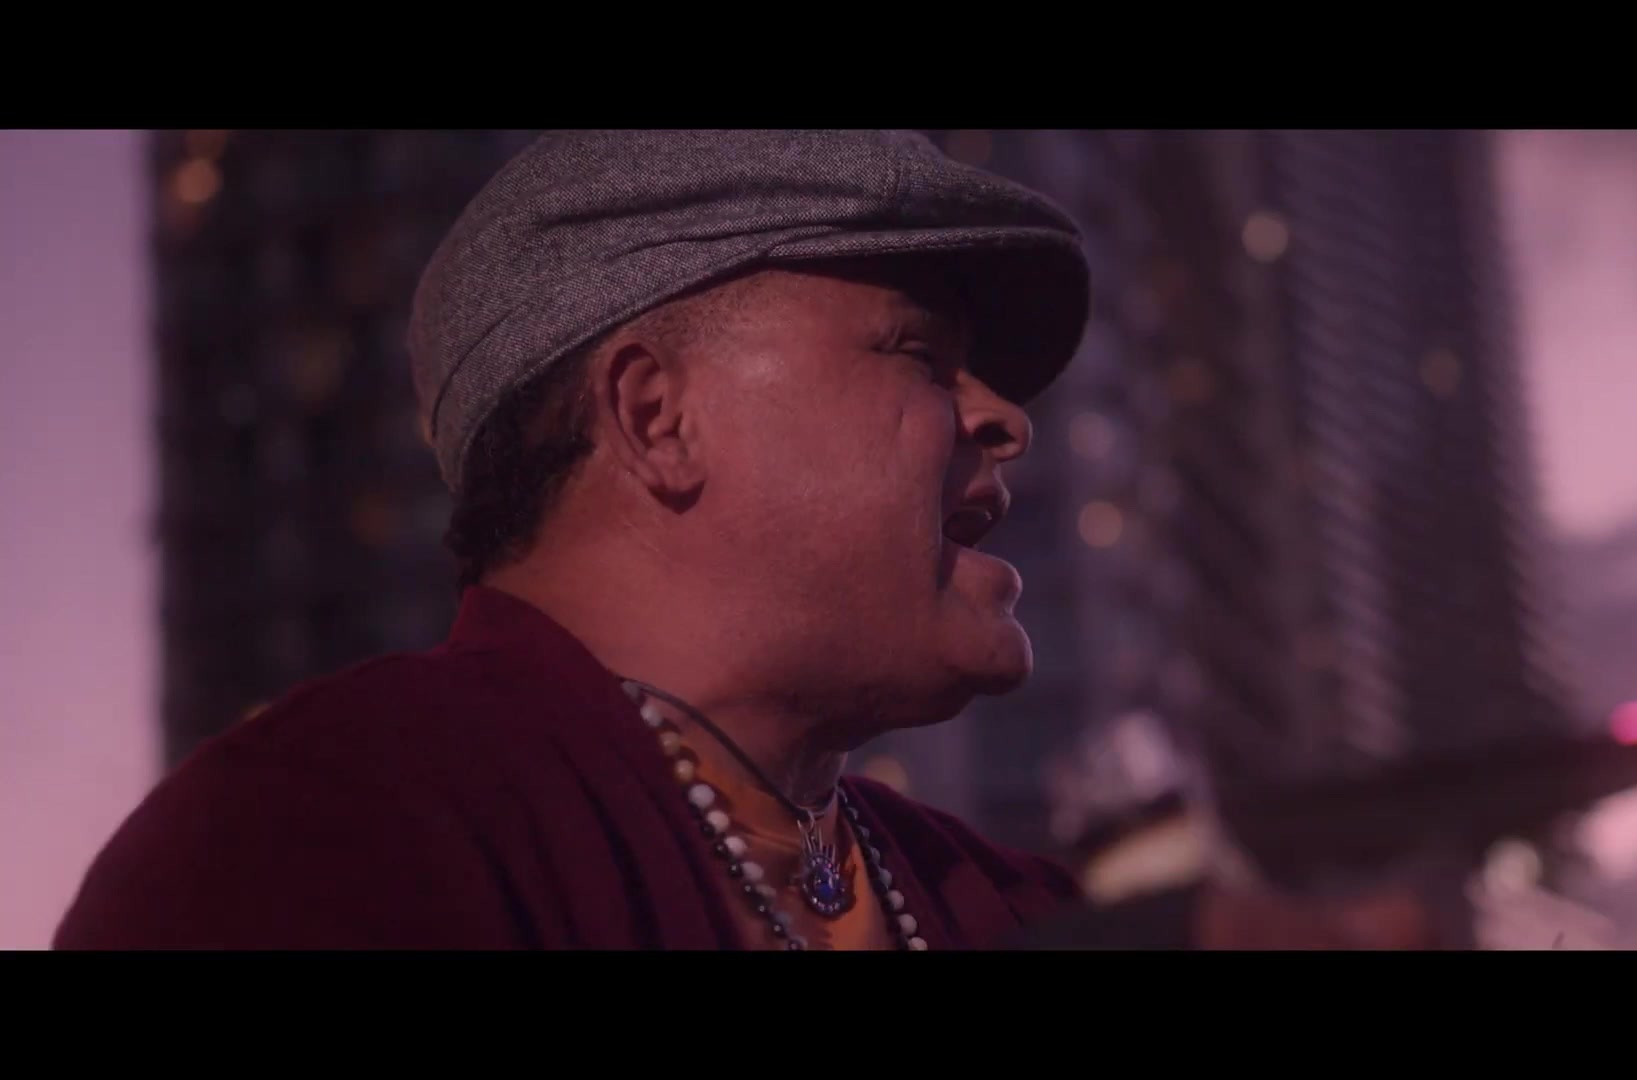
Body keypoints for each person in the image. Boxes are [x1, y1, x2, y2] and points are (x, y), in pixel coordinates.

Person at [53, 129, 1093, 950]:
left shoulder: (1018, 907)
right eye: (918, 354)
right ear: (658, 418)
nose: (1007, 418)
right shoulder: (310, 836)